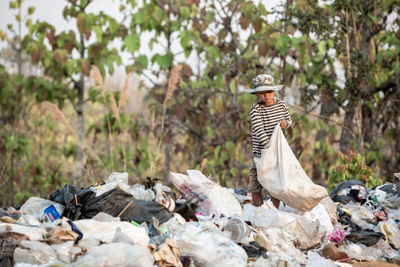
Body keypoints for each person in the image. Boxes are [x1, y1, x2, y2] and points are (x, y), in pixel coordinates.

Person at [245, 73, 292, 209]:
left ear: (274, 91)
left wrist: (285, 124)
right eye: (262, 93)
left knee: (275, 183)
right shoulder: (256, 110)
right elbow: (259, 131)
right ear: (256, 95)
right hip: (260, 152)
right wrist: (268, 148)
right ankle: (258, 210)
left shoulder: (282, 105)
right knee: (256, 184)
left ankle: (274, 210)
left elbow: (289, 120)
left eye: (269, 92)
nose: (266, 96)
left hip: (277, 152)